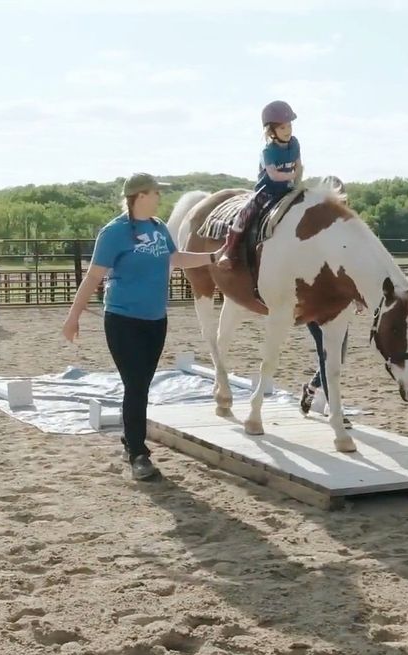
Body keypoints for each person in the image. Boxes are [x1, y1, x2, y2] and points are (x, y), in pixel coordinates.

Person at [63, 173, 224, 481]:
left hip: (155, 320)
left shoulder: (159, 227)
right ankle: (138, 452)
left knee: (141, 385)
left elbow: (175, 258)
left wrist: (213, 256)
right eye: (154, 193)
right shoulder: (114, 233)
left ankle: (130, 438)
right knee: (136, 385)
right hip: (123, 320)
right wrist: (73, 317)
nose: (159, 198)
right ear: (139, 196)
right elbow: (93, 277)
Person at [218, 99, 302, 270]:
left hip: (288, 189)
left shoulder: (294, 143)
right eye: (282, 128)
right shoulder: (268, 151)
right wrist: (293, 175)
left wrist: (298, 183)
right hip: (267, 191)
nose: (288, 131)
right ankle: (229, 250)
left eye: (289, 126)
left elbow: (299, 164)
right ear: (271, 131)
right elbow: (274, 175)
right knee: (245, 212)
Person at [299, 176, 352, 427]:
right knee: (327, 352)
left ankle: (311, 388)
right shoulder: (312, 227)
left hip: (338, 302)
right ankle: (335, 410)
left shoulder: (345, 228)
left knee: (337, 356)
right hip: (315, 301)